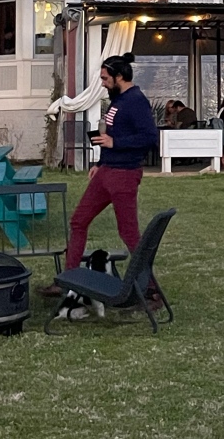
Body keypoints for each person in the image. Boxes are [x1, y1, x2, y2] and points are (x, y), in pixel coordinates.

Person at [41, 52, 157, 295]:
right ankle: (68, 281)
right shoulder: (117, 100)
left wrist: (117, 144)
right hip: (106, 171)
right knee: (79, 221)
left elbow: (149, 137)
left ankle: (151, 289)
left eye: (106, 79)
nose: (103, 84)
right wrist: (101, 161)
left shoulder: (136, 101)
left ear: (120, 76)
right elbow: (109, 135)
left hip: (124, 174)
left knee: (128, 232)